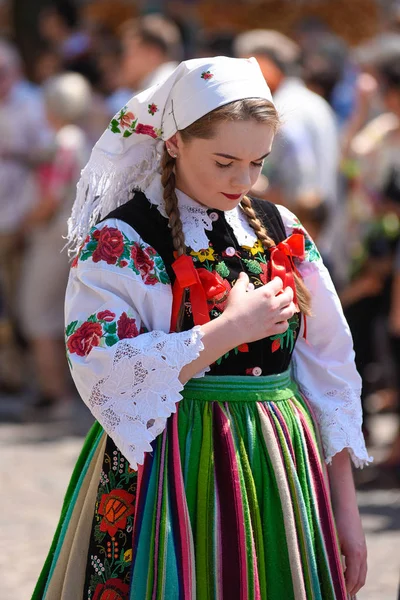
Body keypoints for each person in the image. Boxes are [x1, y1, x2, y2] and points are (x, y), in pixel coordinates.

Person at [32, 56, 369, 600]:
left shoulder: (281, 229)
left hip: (278, 469)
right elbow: (105, 372)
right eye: (224, 161)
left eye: (257, 162)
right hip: (165, 470)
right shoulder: (123, 241)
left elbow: (329, 374)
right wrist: (229, 329)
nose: (243, 180)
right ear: (173, 144)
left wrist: (345, 514)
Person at [234, 30, 344, 285]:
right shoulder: (313, 100)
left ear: (265, 64)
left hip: (297, 238)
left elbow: (302, 184)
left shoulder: (284, 107)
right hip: (316, 234)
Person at [18, 73, 91, 416]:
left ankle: (55, 395)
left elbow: (50, 198)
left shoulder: (64, 142)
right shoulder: (81, 140)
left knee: (37, 312)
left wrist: (24, 223)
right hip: (69, 237)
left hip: (52, 239)